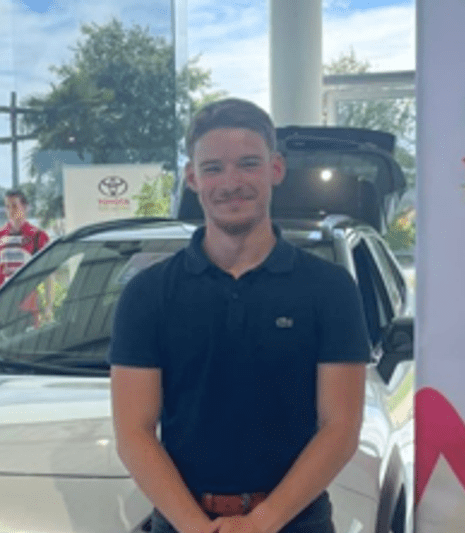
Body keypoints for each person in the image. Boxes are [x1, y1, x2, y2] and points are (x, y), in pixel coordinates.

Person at [110, 98, 370, 533]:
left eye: (248, 164)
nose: (231, 183)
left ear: (276, 169)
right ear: (192, 178)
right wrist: (196, 527)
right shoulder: (147, 294)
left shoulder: (329, 288)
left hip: (296, 522)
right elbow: (134, 432)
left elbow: (340, 427)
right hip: (183, 523)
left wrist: (262, 522)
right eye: (213, 168)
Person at [0, 188, 49, 298]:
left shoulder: (38, 236)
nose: (10, 211)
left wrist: (49, 304)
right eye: (7, 207)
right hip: (1, 299)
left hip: (27, 299)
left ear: (25, 207)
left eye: (14, 206)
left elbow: (47, 273)